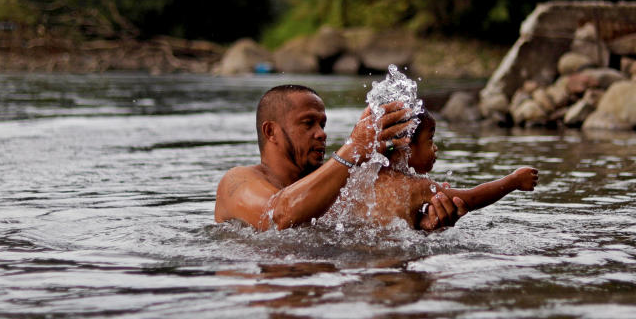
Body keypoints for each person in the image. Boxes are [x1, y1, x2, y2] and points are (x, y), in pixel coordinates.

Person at [214, 85, 468, 231]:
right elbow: (277, 216)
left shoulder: (331, 185)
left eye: (323, 124)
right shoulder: (236, 181)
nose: (321, 134)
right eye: (308, 123)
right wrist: (353, 148)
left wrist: (421, 228)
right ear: (271, 132)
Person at [359, 109, 538, 229]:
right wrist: (513, 181)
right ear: (405, 147)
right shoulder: (416, 186)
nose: (435, 147)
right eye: (430, 139)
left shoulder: (358, 178)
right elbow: (471, 198)